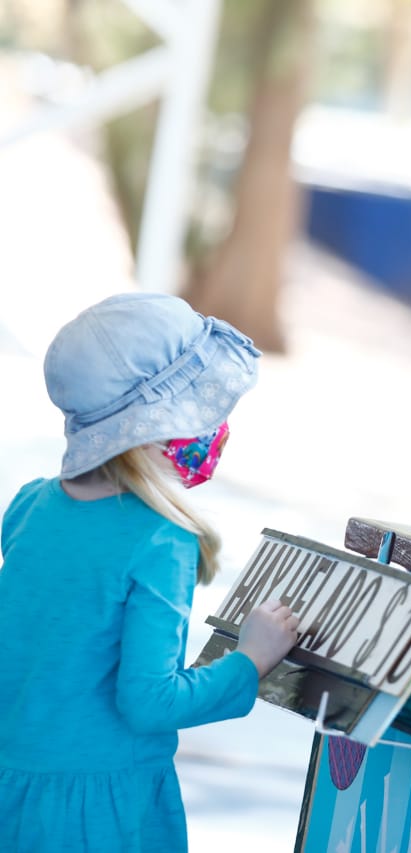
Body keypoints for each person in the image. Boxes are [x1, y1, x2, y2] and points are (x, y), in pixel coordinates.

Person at [0, 293, 300, 852]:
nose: (218, 427)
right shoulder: (161, 539)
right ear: (160, 427)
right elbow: (148, 701)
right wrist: (251, 661)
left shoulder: (28, 506)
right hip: (99, 815)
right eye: (208, 412)